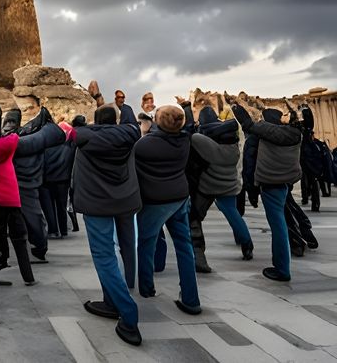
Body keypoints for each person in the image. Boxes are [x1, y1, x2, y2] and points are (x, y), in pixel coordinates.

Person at [72, 97, 143, 347]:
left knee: (104, 257)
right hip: (125, 199)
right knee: (125, 248)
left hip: (97, 203)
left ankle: (128, 315)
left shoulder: (84, 138)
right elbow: (131, 121)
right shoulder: (129, 135)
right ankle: (111, 301)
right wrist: (123, 108)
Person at [135, 103, 200, 315]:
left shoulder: (144, 144)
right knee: (184, 246)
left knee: (146, 244)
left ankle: (147, 288)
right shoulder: (185, 140)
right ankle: (191, 298)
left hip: (154, 200)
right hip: (179, 197)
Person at [229, 95, 303, 283]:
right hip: (284, 184)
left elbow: (248, 125)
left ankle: (282, 269)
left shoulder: (267, 133)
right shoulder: (295, 133)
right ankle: (285, 261)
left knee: (278, 226)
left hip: (270, 185)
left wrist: (236, 108)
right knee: (281, 223)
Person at [182, 98, 254, 269]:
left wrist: (186, 109)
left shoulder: (203, 141)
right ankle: (247, 245)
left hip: (207, 186)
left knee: (195, 218)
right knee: (234, 215)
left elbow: (190, 135)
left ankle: (199, 255)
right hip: (229, 185)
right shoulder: (233, 141)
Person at [8, 96, 65, 262]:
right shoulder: (33, 134)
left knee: (32, 217)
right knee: (31, 217)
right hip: (25, 181)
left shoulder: (33, 136)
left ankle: (38, 248)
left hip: (25, 182)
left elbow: (21, 145)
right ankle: (36, 248)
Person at [0, 106, 35, 286]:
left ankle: (0, 266)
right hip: (12, 198)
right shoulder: (10, 142)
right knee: (19, 237)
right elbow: (14, 137)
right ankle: (28, 276)